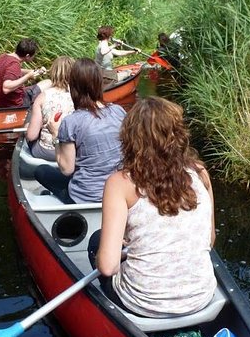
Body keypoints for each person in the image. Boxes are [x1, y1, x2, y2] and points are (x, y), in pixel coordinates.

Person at [93, 96, 217, 317]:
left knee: (96, 241)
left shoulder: (120, 183)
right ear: (177, 135)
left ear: (130, 139)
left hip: (144, 304)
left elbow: (107, 267)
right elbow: (209, 239)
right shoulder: (200, 172)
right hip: (202, 296)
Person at [34, 58, 126, 204]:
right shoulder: (119, 111)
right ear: (99, 84)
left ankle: (58, 196)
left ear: (73, 87)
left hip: (85, 197)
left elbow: (67, 169)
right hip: (118, 192)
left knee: (41, 171)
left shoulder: (70, 122)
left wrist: (55, 134)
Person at [25, 56, 75, 161]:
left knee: (30, 134)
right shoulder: (79, 96)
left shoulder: (42, 97)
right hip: (73, 152)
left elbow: (32, 136)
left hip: (47, 152)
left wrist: (27, 128)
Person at [0, 38, 51, 108]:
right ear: (27, 56)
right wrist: (28, 76)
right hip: (11, 104)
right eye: (34, 55)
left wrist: (35, 71)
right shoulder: (14, 64)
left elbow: (13, 71)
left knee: (44, 84)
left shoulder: (4, 56)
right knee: (49, 83)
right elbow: (6, 88)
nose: (34, 57)